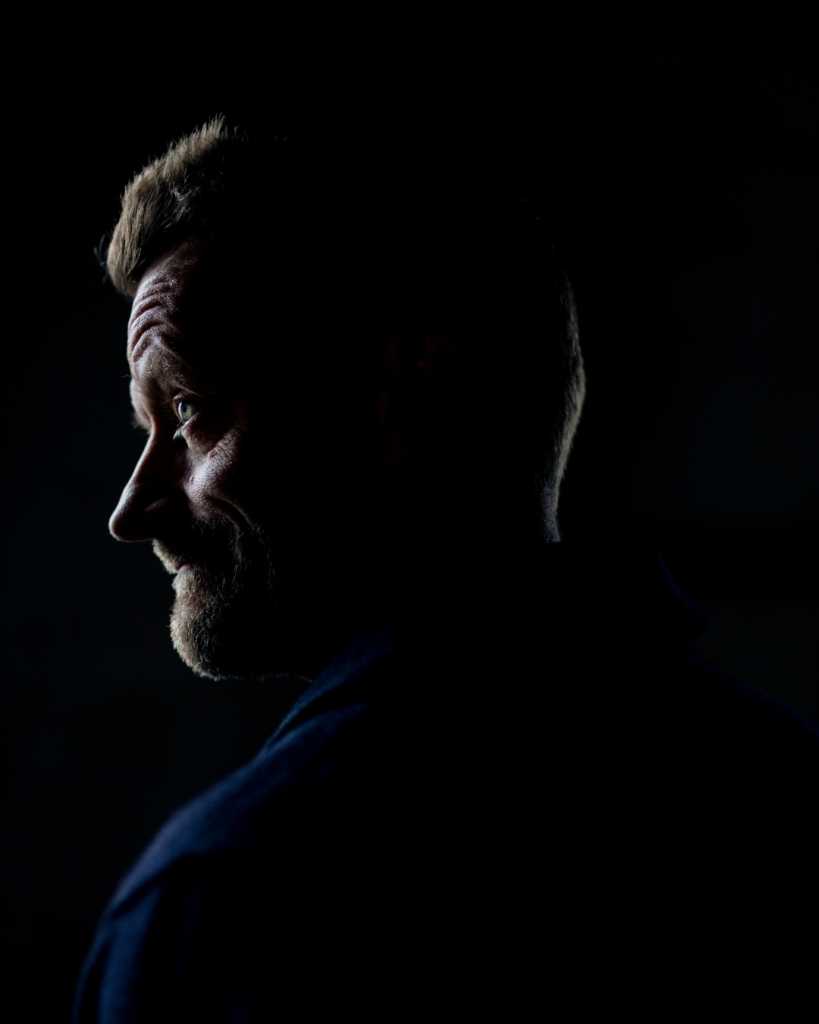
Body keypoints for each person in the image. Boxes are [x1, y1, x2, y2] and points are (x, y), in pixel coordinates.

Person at [73, 105, 819, 1022]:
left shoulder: (231, 897)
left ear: (406, 393)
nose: (130, 511)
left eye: (189, 410)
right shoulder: (790, 796)